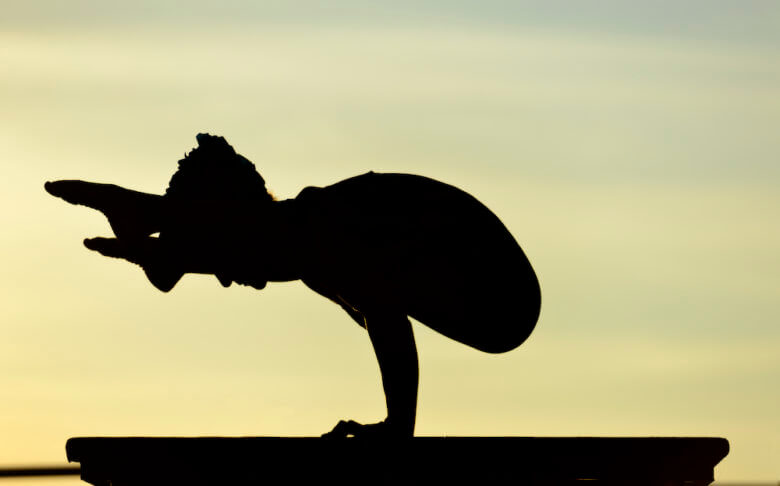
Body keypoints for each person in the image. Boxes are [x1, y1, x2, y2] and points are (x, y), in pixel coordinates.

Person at [45, 133, 541, 438]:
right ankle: (153, 217)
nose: (227, 279)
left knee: (296, 245)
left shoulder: (329, 235)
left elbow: (386, 316)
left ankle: (153, 217)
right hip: (475, 281)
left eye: (218, 257)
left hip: (496, 296)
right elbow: (271, 249)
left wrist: (397, 432)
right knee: (290, 244)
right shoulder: (316, 232)